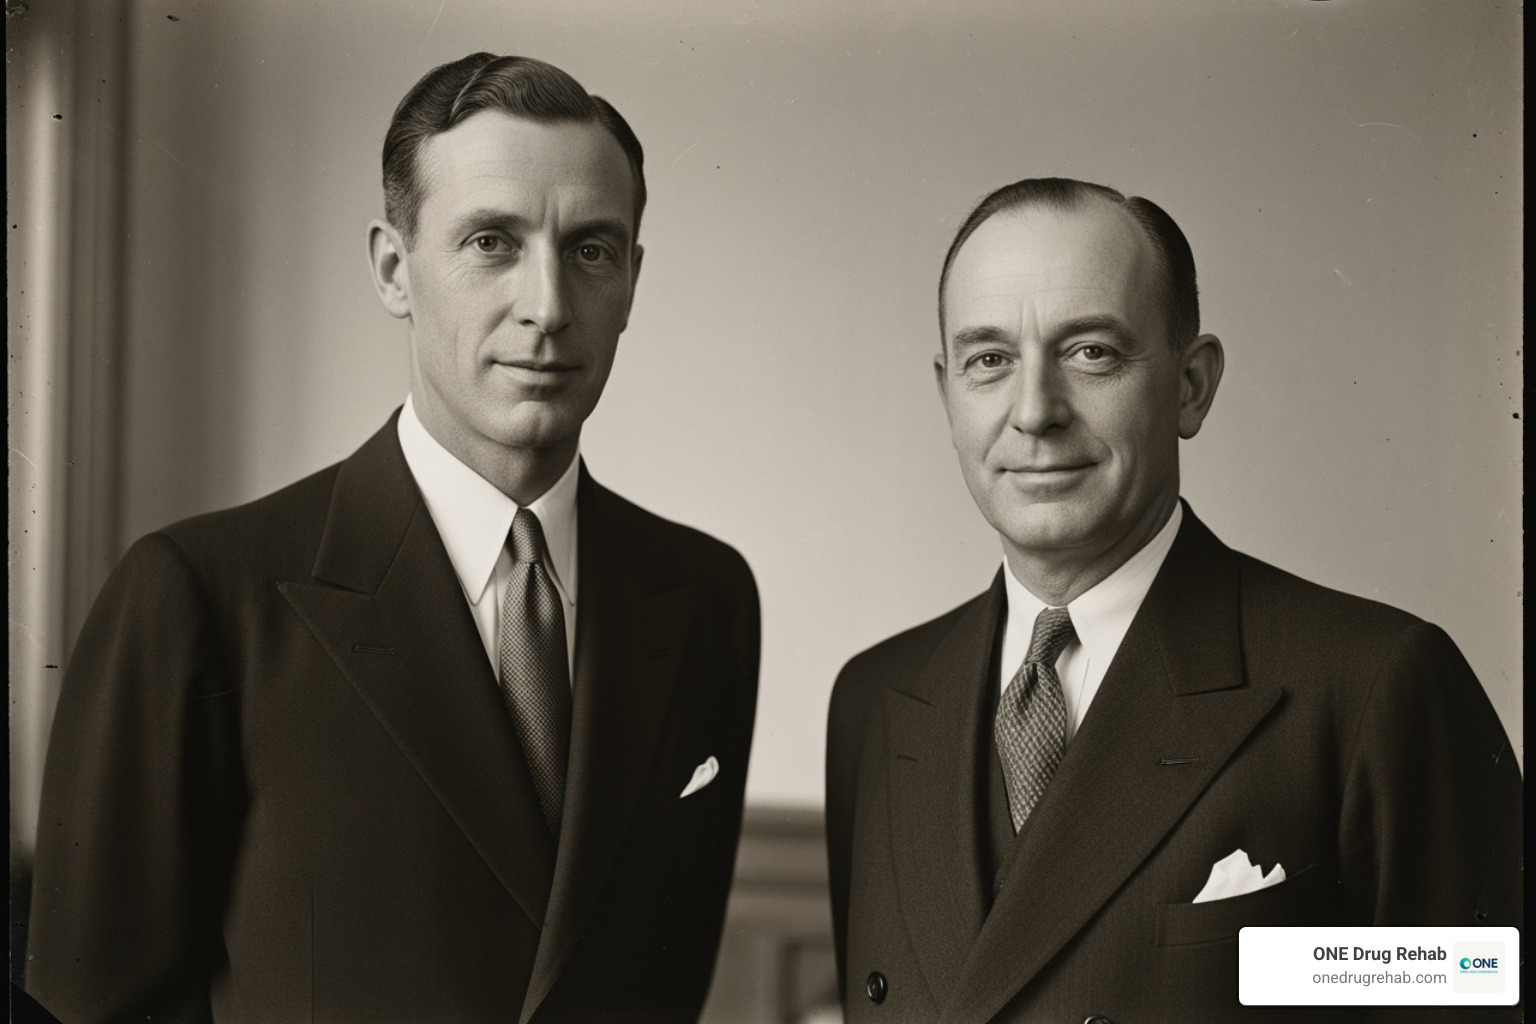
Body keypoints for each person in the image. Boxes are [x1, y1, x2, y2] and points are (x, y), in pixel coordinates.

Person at [27, 53, 760, 1023]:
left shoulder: (706, 596)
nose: (547, 304)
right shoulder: (197, 597)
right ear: (392, 270)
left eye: (590, 249)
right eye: (493, 242)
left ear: (629, 282)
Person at [824, 177, 1521, 1023]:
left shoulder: (1375, 685)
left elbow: (1469, 990)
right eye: (990, 360)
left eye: (1092, 353)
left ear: (1191, 386)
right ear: (947, 394)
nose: (1034, 411)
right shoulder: (878, 699)